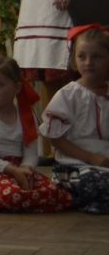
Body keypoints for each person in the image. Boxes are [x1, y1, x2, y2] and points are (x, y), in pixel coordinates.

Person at [0, 55, 71, 212]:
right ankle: (8, 198)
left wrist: (26, 170)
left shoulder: (26, 115)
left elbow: (31, 152)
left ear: (17, 87)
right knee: (11, 194)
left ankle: (22, 198)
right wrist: (12, 171)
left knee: (55, 192)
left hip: (19, 168)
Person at [44, 25, 109, 213]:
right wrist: (91, 158)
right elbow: (55, 139)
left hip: (105, 162)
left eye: (97, 57)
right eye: (82, 56)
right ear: (74, 60)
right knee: (95, 183)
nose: (88, 62)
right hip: (73, 166)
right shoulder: (68, 95)